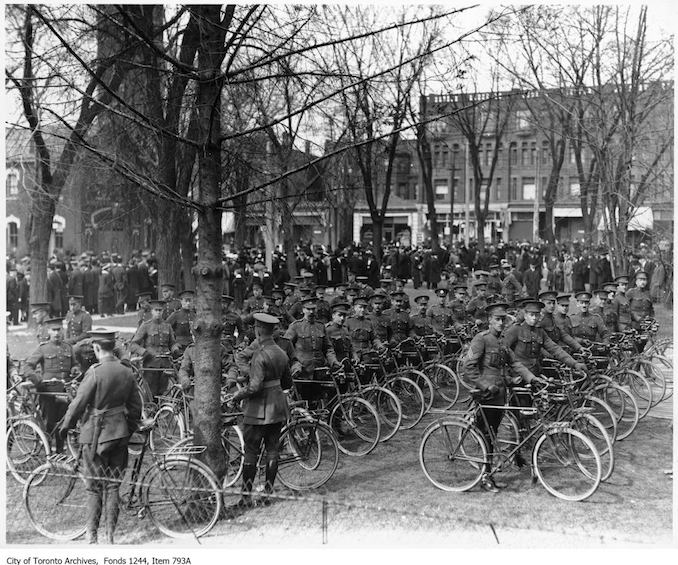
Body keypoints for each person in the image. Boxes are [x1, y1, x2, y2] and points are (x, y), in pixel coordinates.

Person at [58, 329, 142, 544]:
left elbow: (77, 404)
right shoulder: (126, 371)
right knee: (113, 486)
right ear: (112, 347)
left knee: (94, 488)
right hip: (119, 434)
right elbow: (135, 407)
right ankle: (110, 537)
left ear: (96, 348)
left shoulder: (94, 372)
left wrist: (65, 426)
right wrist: (127, 429)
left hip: (94, 436)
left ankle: (92, 536)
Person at [463, 303, 538, 492]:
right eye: (497, 319)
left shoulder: (503, 342)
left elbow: (514, 363)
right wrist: (485, 385)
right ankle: (485, 477)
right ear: (489, 320)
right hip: (487, 395)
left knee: (492, 435)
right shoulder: (481, 339)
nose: (501, 322)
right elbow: (469, 367)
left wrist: (530, 377)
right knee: (486, 437)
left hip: (500, 396)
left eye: (503, 319)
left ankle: (488, 474)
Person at [224, 313, 292, 508]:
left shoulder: (260, 354)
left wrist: (237, 396)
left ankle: (246, 497)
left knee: (251, 452)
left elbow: (254, 387)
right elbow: (288, 382)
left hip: (258, 409)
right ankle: (267, 494)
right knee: (272, 451)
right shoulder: (281, 352)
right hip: (277, 408)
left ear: (258, 331)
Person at [24, 318, 82, 453]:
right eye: (53, 330)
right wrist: (37, 380)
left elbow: (75, 364)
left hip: (64, 389)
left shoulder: (68, 347)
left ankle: (60, 451)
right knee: (49, 421)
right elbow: (27, 367)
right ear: (48, 331)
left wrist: (75, 369)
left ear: (62, 330)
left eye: (59, 330)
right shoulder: (43, 348)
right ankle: (48, 451)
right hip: (47, 391)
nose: (57, 333)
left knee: (63, 420)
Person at [130, 300, 181, 398]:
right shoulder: (146, 326)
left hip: (165, 364)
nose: (158, 312)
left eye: (160, 310)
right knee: (151, 393)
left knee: (164, 392)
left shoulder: (167, 326)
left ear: (163, 312)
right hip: (151, 365)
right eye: (156, 310)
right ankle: (149, 411)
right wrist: (144, 352)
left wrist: (175, 349)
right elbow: (133, 345)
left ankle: (162, 411)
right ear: (151, 311)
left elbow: (172, 343)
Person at [165, 289, 196, 354]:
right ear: (181, 301)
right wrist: (173, 344)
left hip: (194, 346)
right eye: (186, 301)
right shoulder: (176, 315)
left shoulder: (195, 315)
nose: (188, 303)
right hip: (180, 347)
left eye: (190, 301)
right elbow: (165, 329)